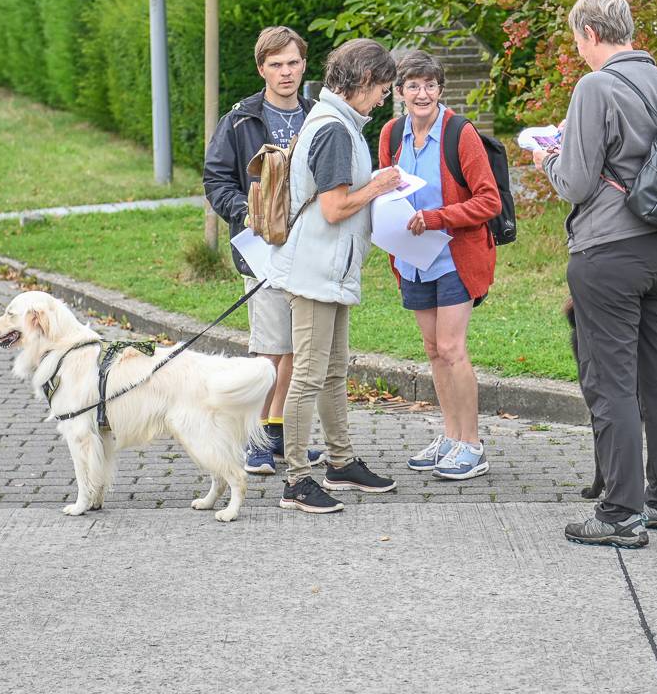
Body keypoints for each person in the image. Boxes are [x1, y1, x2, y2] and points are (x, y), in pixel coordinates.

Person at [534, 0, 657, 548]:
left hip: (609, 250)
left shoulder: (595, 86)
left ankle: (621, 511)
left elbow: (575, 182)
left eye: (577, 37)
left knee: (611, 384)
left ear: (589, 34)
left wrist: (546, 157)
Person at [265, 38, 404, 514]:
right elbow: (333, 206)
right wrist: (379, 185)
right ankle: (297, 481)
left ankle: (340, 462)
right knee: (307, 375)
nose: (383, 98)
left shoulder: (337, 122)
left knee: (333, 371)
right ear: (363, 80)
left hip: (332, 269)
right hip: (315, 271)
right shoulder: (334, 130)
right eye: (382, 88)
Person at [202, 26, 324, 475]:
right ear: (262, 69)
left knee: (295, 347)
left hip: (311, 249)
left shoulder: (318, 115)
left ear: (304, 65)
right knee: (268, 349)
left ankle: (277, 433)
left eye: (293, 62)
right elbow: (216, 179)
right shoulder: (240, 120)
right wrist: (245, 211)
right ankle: (251, 439)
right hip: (263, 249)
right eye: (276, 64)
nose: (286, 72)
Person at [376, 50, 502, 480]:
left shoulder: (459, 133)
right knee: (432, 350)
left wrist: (436, 217)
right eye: (413, 85)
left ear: (440, 90)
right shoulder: (391, 134)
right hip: (413, 260)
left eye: (430, 85)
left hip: (454, 257)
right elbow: (385, 189)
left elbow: (489, 200)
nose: (422, 93)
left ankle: (473, 444)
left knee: (452, 348)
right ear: (399, 92)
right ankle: (450, 437)